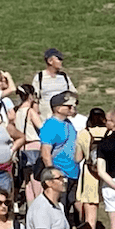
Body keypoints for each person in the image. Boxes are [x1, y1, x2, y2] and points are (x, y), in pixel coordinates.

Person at [74, 107, 108, 229]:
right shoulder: (109, 132)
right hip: (108, 177)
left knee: (90, 219)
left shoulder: (83, 133)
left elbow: (77, 158)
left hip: (90, 178)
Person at [39, 93, 82, 221]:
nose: (72, 108)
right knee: (60, 208)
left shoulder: (68, 123)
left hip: (73, 172)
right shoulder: (50, 126)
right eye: (68, 106)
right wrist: (54, 175)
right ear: (58, 108)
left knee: (72, 204)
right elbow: (45, 153)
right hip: (60, 173)